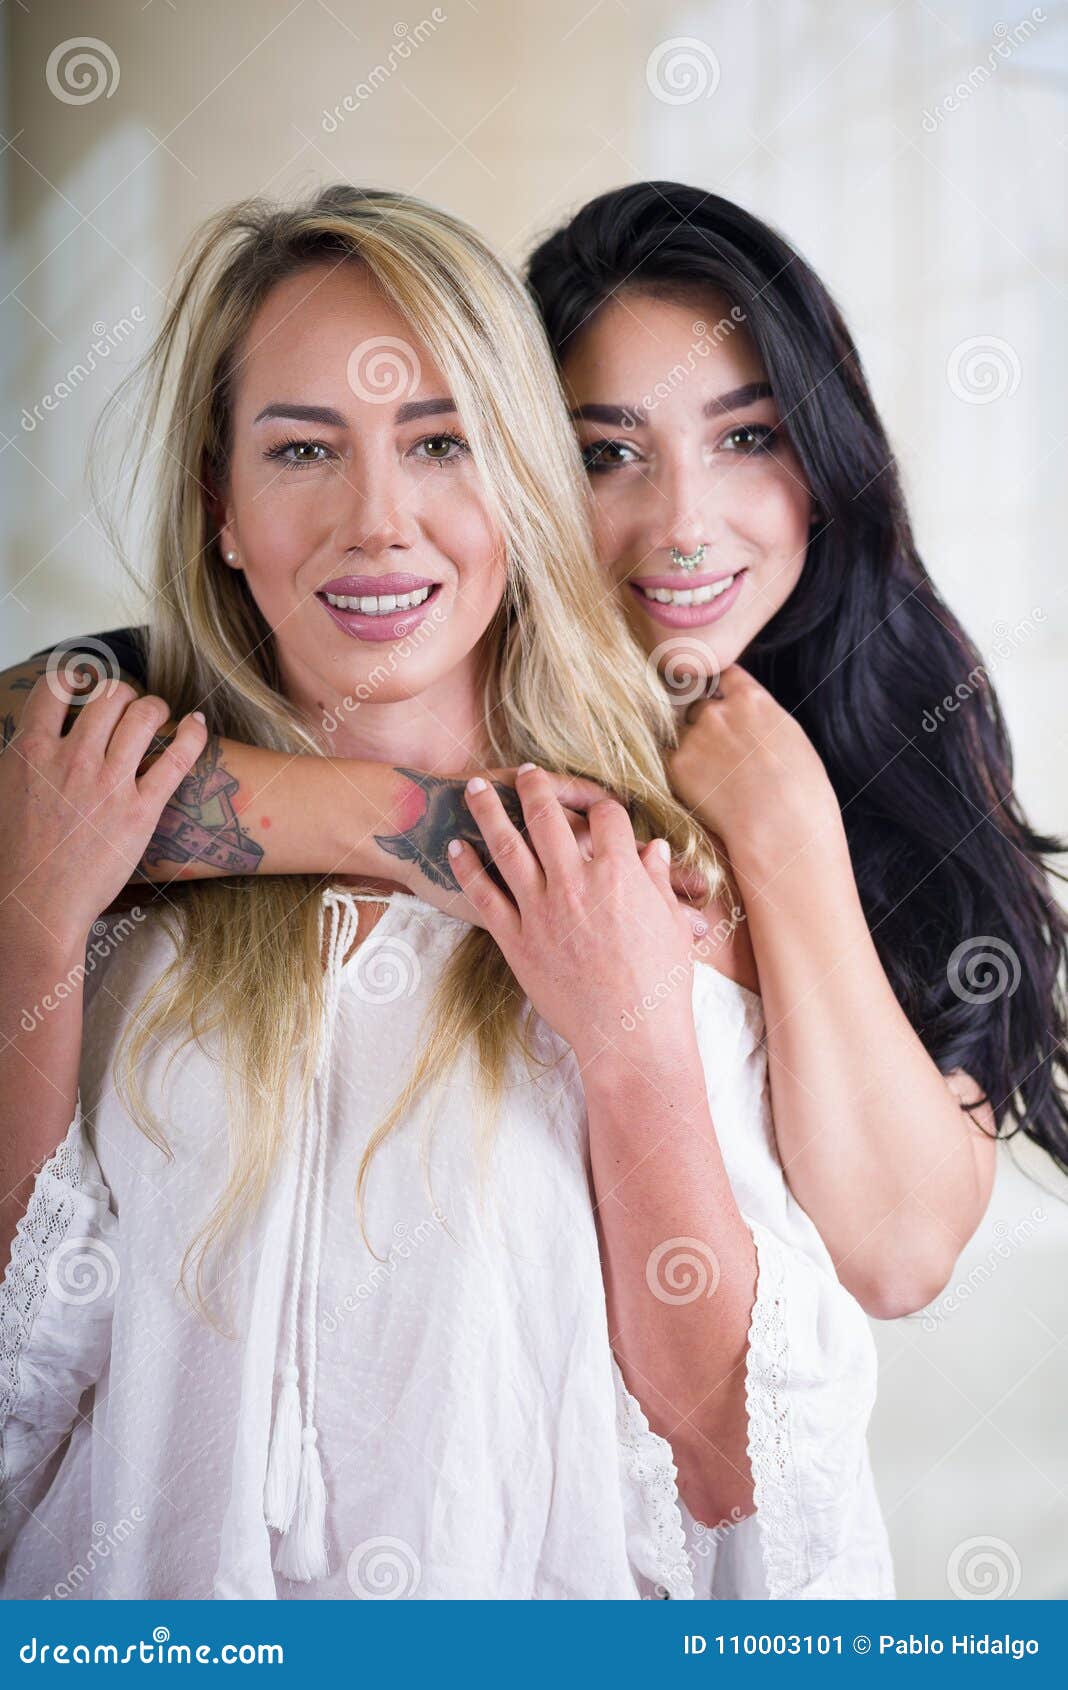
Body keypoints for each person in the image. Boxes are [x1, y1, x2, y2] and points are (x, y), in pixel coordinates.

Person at [0, 186, 892, 1599]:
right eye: (302, 449)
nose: (377, 520)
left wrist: (632, 1040)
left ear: (523, 486)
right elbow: (13, 1397)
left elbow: (740, 1477)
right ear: (220, 512)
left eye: (441, 443)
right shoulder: (99, 851)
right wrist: (34, 932)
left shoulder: (666, 879)